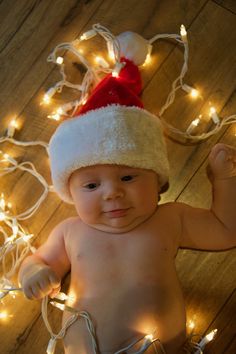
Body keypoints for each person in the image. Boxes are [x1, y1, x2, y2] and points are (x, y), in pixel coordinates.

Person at [18, 31, 236, 354]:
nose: (112, 193)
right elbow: (36, 260)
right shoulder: (70, 232)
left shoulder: (169, 219)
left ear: (158, 182)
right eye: (92, 185)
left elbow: (225, 230)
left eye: (129, 177)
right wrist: (34, 273)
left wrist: (224, 180)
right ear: (70, 191)